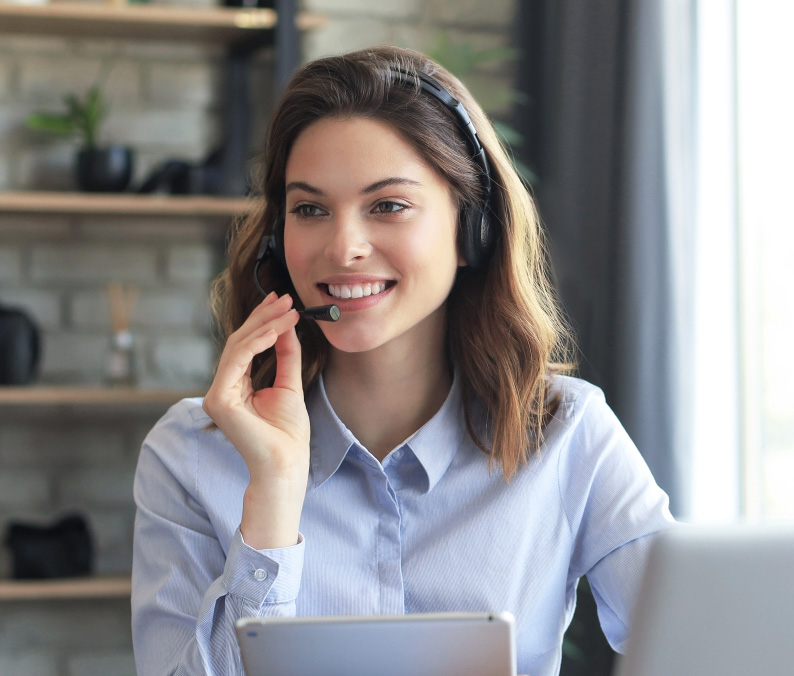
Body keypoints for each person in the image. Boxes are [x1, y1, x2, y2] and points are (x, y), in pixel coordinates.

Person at [131, 45, 675, 676]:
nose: (343, 247)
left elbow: (707, 646)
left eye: (387, 205)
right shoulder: (189, 454)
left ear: (473, 230)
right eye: (310, 209)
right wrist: (275, 497)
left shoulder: (565, 430)